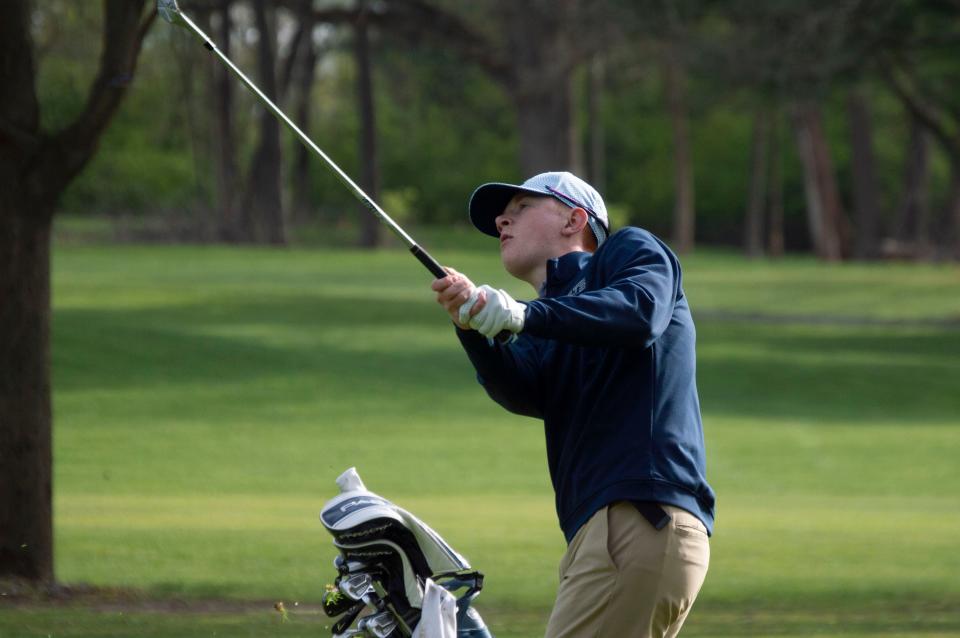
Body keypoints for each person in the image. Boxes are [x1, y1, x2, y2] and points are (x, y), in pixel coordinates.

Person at [431, 171, 715, 638]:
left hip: (638, 516)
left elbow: (639, 312)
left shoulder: (628, 252)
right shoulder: (552, 318)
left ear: (575, 219)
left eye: (521, 208)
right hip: (605, 531)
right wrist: (473, 328)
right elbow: (525, 391)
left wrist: (524, 314)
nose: (502, 219)